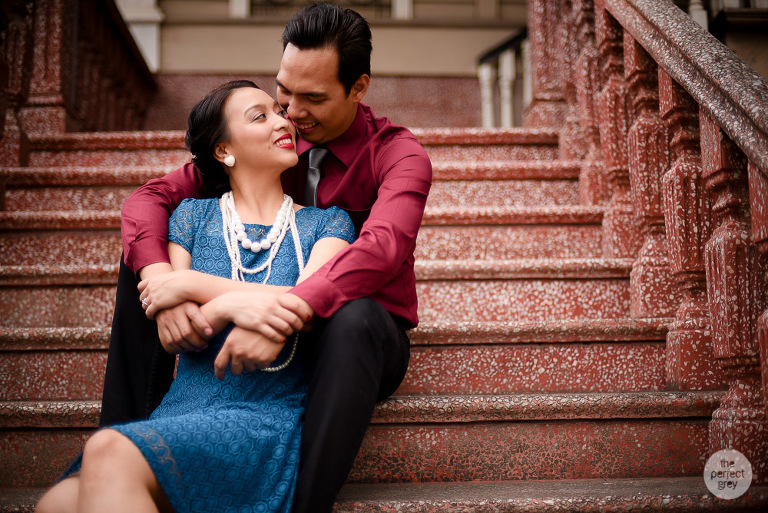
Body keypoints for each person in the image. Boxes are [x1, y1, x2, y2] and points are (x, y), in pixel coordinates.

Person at [100, 3, 432, 512]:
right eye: (284, 92)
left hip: (352, 338)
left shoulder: (399, 155)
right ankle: (128, 442)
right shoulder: (274, 140)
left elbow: (382, 246)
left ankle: (300, 504)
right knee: (141, 263)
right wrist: (165, 282)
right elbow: (150, 200)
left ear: (359, 88)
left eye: (313, 98)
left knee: (357, 318)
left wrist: (287, 311)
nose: (293, 113)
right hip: (252, 313)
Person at [35, 81, 356, 513]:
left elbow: (311, 300)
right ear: (224, 151)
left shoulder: (327, 225)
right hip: (181, 408)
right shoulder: (191, 217)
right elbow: (176, 334)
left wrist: (202, 291)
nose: (284, 121)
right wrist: (221, 302)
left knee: (109, 450)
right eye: (261, 116)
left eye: (278, 112)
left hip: (262, 415)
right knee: (56, 503)